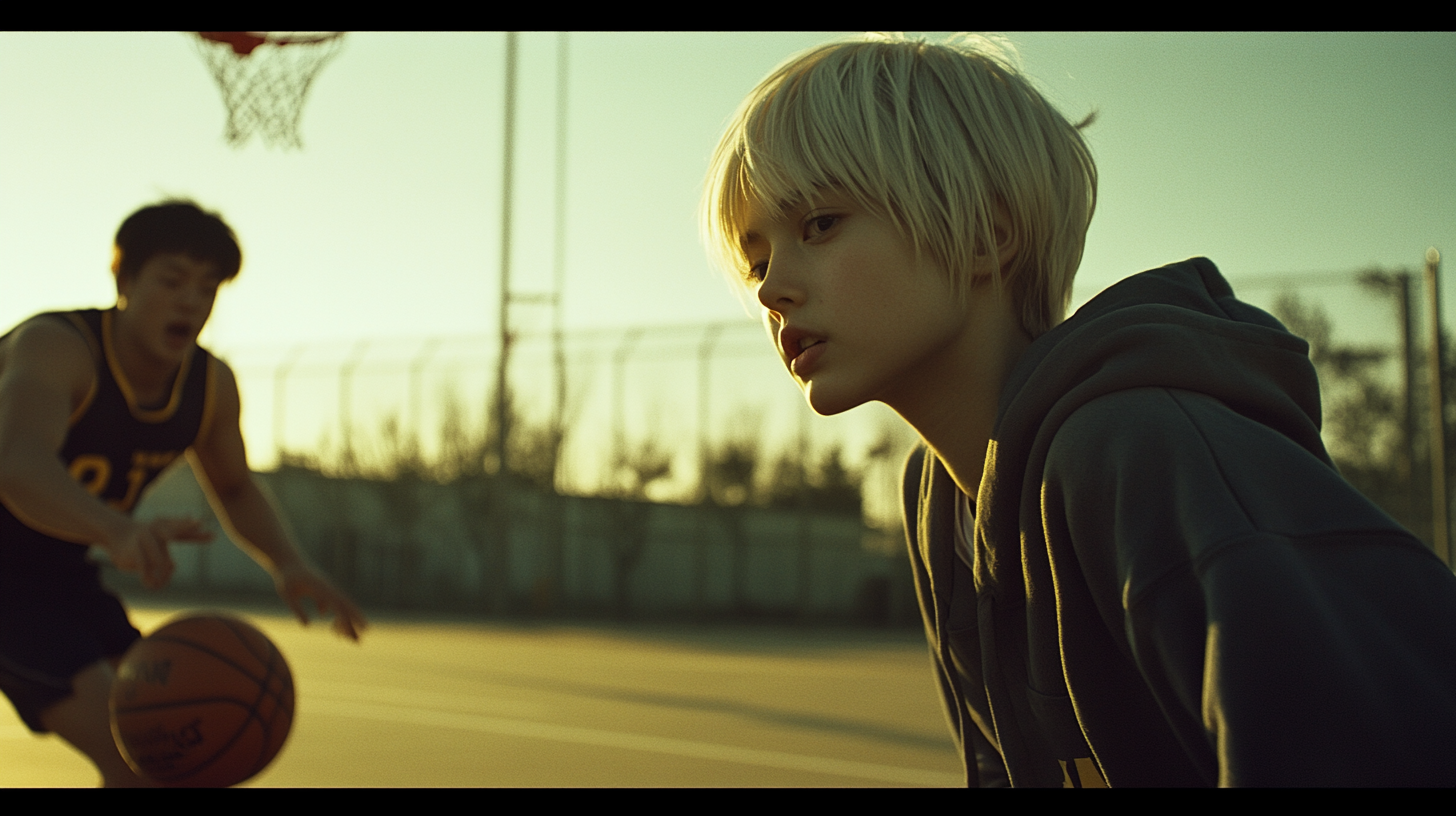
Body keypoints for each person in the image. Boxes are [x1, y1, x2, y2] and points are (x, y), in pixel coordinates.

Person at [701, 33, 1456, 787]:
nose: (771, 291)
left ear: (987, 236)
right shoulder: (938, 499)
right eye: (758, 259)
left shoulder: (1140, 451)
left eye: (820, 225)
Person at [0, 199, 366, 787]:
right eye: (172, 281)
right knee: (139, 757)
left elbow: (236, 486)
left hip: (56, 574)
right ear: (123, 278)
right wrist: (114, 528)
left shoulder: (209, 385)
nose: (191, 301)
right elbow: (17, 466)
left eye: (208, 288)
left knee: (168, 752)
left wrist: (289, 562)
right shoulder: (58, 347)